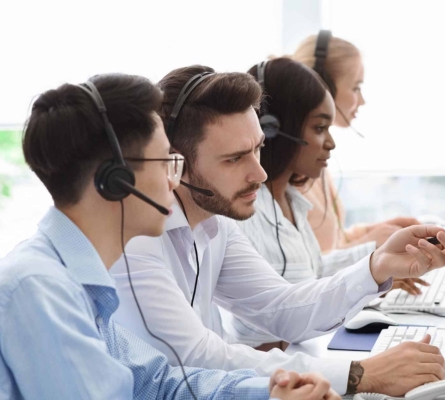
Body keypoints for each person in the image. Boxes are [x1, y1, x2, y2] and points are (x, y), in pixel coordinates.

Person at [110, 65, 445, 397]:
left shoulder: (215, 223)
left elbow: (281, 308)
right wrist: (359, 374)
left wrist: (377, 265)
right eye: (234, 159)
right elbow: (196, 358)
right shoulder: (136, 241)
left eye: (258, 148)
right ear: (176, 163)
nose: (259, 174)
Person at [0, 73, 337, 400]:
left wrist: (270, 393)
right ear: (115, 181)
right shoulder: (37, 288)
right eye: (167, 162)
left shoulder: (82, 284)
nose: (176, 181)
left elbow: (159, 384)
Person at [292, 31, 426, 295]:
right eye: (356, 87)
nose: (361, 100)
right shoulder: (292, 171)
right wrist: (372, 247)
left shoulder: (319, 163)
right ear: (324, 88)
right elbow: (308, 268)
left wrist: (373, 232)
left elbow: (332, 240)